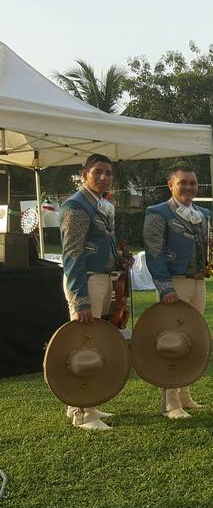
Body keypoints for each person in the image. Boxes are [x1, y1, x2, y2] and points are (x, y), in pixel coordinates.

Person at [143, 165, 213, 420]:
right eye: (183, 183)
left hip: (199, 282)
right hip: (175, 283)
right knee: (171, 341)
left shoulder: (203, 214)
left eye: (193, 183)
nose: (189, 188)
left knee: (190, 339)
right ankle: (170, 401)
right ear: (171, 185)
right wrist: (165, 287)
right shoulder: (157, 213)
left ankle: (185, 394)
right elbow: (154, 253)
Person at [59, 154, 119, 430]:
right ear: (84, 175)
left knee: (91, 343)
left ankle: (81, 404)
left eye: (107, 173)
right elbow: (72, 254)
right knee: (83, 345)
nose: (104, 177)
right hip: (86, 281)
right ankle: (84, 413)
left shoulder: (100, 205)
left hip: (101, 278)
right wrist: (81, 298)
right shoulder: (76, 206)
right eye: (97, 172)